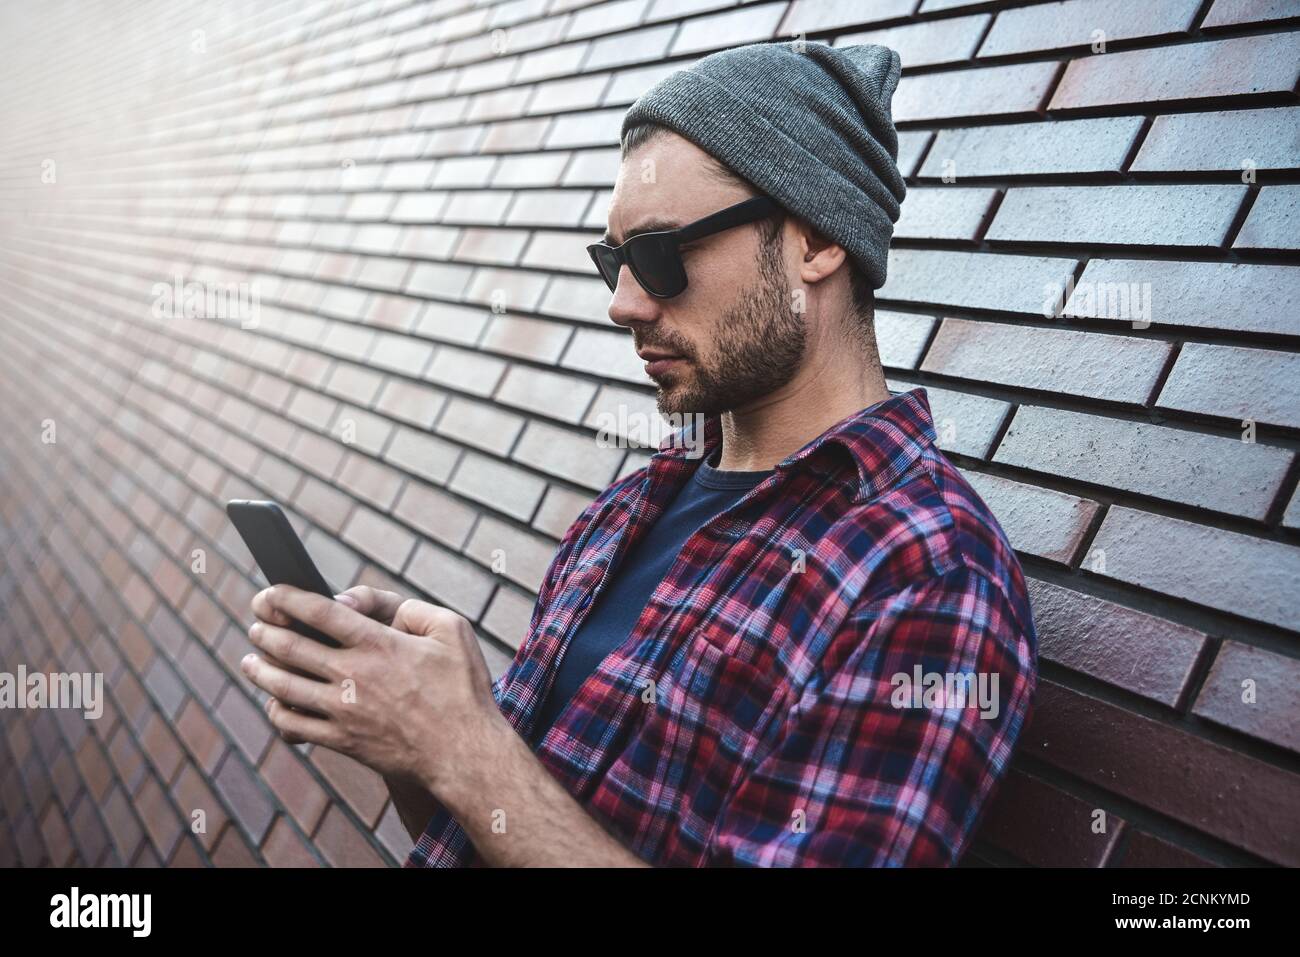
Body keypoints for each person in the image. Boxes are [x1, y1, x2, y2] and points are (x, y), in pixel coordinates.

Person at [242, 40, 1037, 867]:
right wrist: (411, 732)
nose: (624, 303)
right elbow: (503, 832)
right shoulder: (624, 512)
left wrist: (462, 747)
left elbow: (487, 776)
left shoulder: (929, 570)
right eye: (615, 261)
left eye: (659, 255)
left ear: (815, 241)